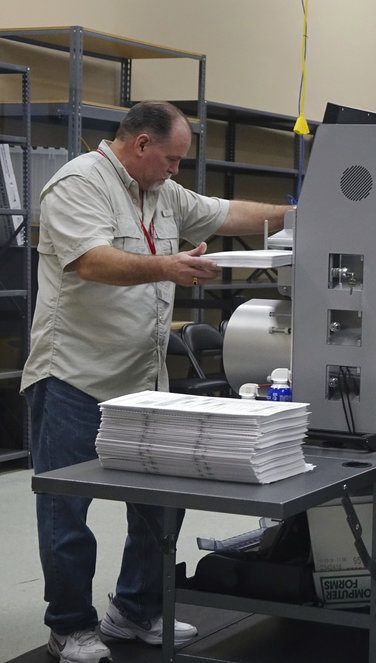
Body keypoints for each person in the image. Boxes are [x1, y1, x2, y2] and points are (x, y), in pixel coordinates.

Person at [20, 101, 293, 663]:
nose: (175, 171)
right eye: (170, 159)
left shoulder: (163, 193)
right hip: (75, 375)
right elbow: (91, 262)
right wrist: (169, 267)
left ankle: (135, 610)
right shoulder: (78, 184)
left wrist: (298, 214)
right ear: (140, 145)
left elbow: (224, 213)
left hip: (143, 378)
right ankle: (69, 625)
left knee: (160, 505)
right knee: (66, 509)